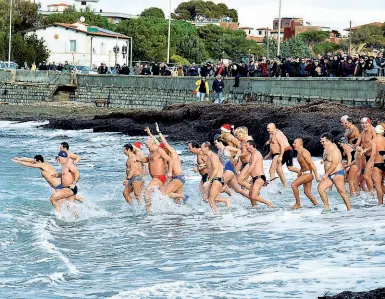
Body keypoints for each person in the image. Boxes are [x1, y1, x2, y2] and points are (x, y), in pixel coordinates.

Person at [317, 133, 351, 213]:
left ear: (328, 141)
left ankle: (349, 209)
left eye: (323, 141)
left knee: (342, 192)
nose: (321, 143)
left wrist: (326, 174)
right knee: (320, 189)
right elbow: (326, 157)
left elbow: (334, 164)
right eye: (321, 141)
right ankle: (327, 208)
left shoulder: (335, 150)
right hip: (329, 174)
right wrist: (323, 160)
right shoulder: (326, 148)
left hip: (337, 173)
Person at [155, 123, 187, 203]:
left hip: (179, 177)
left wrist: (159, 132)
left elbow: (165, 143)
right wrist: (150, 134)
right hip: (177, 178)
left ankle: (184, 196)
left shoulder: (173, 153)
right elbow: (158, 144)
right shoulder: (167, 156)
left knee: (166, 193)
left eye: (162, 149)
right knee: (177, 201)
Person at [142, 135, 173, 213]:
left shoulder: (159, 150)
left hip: (159, 177)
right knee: (163, 196)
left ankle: (148, 212)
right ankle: (170, 211)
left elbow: (170, 160)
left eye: (147, 145)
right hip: (155, 177)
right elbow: (147, 159)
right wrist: (139, 159)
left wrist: (170, 172)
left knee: (147, 191)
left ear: (152, 144)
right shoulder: (151, 151)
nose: (146, 146)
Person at [266, 123, 299, 188]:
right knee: (278, 169)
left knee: (290, 168)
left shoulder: (278, 134)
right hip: (280, 152)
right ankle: (285, 186)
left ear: (273, 128)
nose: (267, 130)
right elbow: (273, 145)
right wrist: (269, 154)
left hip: (286, 150)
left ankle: (303, 173)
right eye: (267, 128)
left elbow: (282, 145)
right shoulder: (271, 134)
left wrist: (281, 156)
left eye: (268, 128)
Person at [201, 142, 231, 213]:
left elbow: (216, 169)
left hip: (217, 179)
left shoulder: (213, 156)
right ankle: (225, 201)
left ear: (207, 148)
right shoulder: (209, 156)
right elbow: (213, 165)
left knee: (211, 199)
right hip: (214, 179)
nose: (201, 149)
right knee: (209, 199)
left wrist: (209, 182)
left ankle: (217, 215)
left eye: (202, 147)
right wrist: (202, 166)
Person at [243, 140, 273, 207]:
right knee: (251, 196)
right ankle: (254, 208)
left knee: (253, 196)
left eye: (246, 145)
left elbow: (252, 166)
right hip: (255, 178)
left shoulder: (256, 153)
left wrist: (245, 176)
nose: (246, 147)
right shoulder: (252, 154)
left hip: (259, 178)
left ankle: (269, 203)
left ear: (251, 145)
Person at [291, 138, 319, 209]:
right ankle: (317, 205)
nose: (293, 144)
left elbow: (312, 165)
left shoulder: (304, 152)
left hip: (308, 174)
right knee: (307, 193)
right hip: (305, 173)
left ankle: (298, 204)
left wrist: (316, 177)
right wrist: (300, 173)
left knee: (293, 185)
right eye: (293, 143)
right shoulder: (298, 152)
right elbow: (303, 165)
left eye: (295, 143)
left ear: (300, 144)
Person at [356, 117, 376, 195]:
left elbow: (375, 144)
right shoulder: (362, 133)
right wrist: (358, 147)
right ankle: (371, 193)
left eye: (365, 123)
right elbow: (357, 143)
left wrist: (365, 150)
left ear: (369, 123)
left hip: (373, 157)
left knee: (367, 176)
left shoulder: (373, 131)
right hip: (365, 157)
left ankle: (372, 193)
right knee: (366, 176)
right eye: (362, 123)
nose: (364, 125)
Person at [367, 125, 385, 205]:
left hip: (377, 164)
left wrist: (369, 164)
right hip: (384, 163)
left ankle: (380, 204)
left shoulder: (373, 140)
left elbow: (373, 153)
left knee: (378, 185)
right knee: (382, 184)